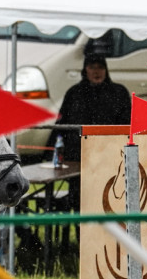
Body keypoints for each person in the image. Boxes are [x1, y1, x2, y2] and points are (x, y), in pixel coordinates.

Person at [47, 53, 131, 211]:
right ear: (85, 70)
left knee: (106, 202)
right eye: (92, 67)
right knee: (79, 202)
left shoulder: (118, 93)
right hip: (77, 160)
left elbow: (127, 125)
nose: (96, 72)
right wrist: (52, 151)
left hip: (110, 159)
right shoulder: (74, 93)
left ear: (106, 70)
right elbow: (62, 124)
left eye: (100, 67)